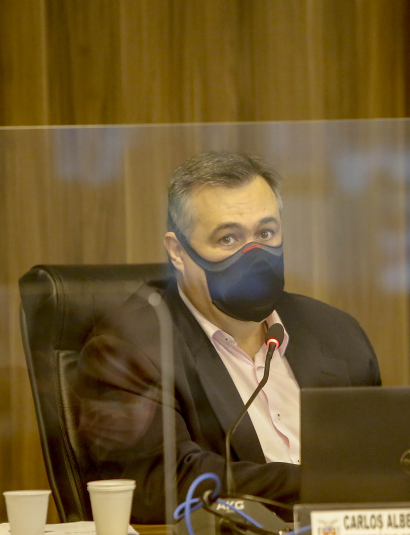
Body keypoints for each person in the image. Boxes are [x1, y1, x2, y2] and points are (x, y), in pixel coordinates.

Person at [74, 150, 381, 523]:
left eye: (266, 233)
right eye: (228, 239)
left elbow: (380, 463)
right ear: (177, 252)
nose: (254, 254)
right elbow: (159, 484)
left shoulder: (337, 333)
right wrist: (318, 485)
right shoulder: (129, 347)